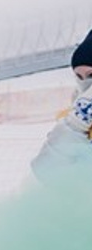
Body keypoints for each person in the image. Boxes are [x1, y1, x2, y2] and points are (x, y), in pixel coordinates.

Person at [32, 28, 92, 180]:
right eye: (79, 76)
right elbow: (46, 171)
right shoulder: (74, 118)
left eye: (91, 75)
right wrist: (76, 123)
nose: (85, 83)